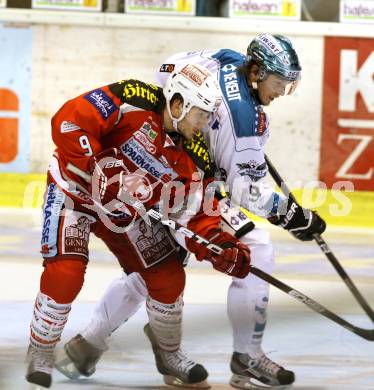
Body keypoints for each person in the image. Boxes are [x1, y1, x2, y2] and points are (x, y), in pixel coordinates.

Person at [56, 34, 326, 389]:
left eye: (288, 85)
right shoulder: (243, 119)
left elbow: (166, 69)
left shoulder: (225, 57)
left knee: (156, 266)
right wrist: (292, 215)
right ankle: (247, 356)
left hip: (165, 162)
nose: (281, 92)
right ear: (257, 71)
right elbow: (245, 191)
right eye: (278, 83)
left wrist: (204, 127)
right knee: (257, 249)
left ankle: (87, 345)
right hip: (189, 181)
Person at [25, 63, 252, 389]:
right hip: (74, 191)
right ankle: (41, 350)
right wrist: (99, 164)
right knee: (66, 273)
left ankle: (169, 353)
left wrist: (220, 244)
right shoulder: (132, 98)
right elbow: (68, 120)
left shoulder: (196, 154)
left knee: (169, 276)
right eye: (200, 115)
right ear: (177, 105)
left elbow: (197, 214)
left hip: (126, 212)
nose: (205, 124)